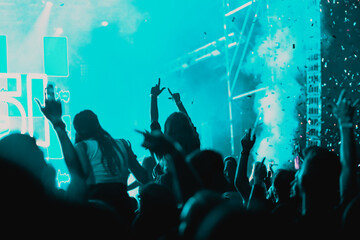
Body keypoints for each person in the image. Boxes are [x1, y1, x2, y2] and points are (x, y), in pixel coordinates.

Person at [37, 84, 149, 224]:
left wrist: (57, 123)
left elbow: (80, 175)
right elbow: (144, 177)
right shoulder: (122, 144)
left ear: (78, 129)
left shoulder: (83, 146)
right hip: (123, 207)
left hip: (97, 209)